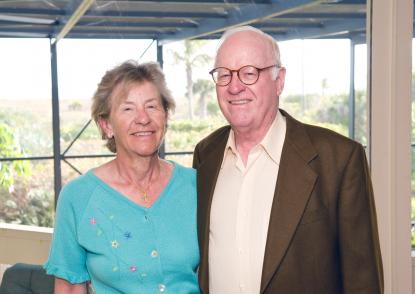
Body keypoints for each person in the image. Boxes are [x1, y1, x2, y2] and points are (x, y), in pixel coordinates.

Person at [193, 26, 383, 294]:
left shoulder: (338, 159)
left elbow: (362, 281)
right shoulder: (206, 155)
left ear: (279, 80)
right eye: (224, 75)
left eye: (249, 73)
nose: (234, 86)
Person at [44, 61, 200, 294]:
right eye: (128, 108)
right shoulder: (78, 197)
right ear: (106, 125)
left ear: (165, 117)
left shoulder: (195, 185)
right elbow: (68, 287)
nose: (143, 118)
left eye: (152, 106)